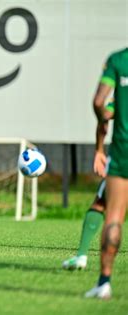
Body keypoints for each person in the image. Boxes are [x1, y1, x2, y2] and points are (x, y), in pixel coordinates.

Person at [85, 48, 128, 300]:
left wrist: (100, 144)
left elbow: (100, 103)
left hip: (123, 148)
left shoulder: (118, 60)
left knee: (113, 216)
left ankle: (104, 283)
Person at [62, 101, 115, 270]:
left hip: (123, 156)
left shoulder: (122, 88)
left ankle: (82, 257)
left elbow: (104, 114)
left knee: (101, 204)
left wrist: (99, 149)